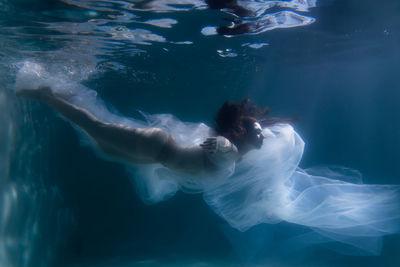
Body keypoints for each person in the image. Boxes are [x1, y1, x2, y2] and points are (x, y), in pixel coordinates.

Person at [15, 76, 400, 256]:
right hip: (157, 146)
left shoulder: (245, 150)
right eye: (256, 132)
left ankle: (55, 94)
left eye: (258, 133)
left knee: (99, 139)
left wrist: (262, 129)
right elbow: (222, 146)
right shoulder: (228, 150)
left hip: (158, 157)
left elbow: (256, 139)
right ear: (242, 136)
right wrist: (230, 143)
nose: (263, 137)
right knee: (95, 128)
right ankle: (44, 93)